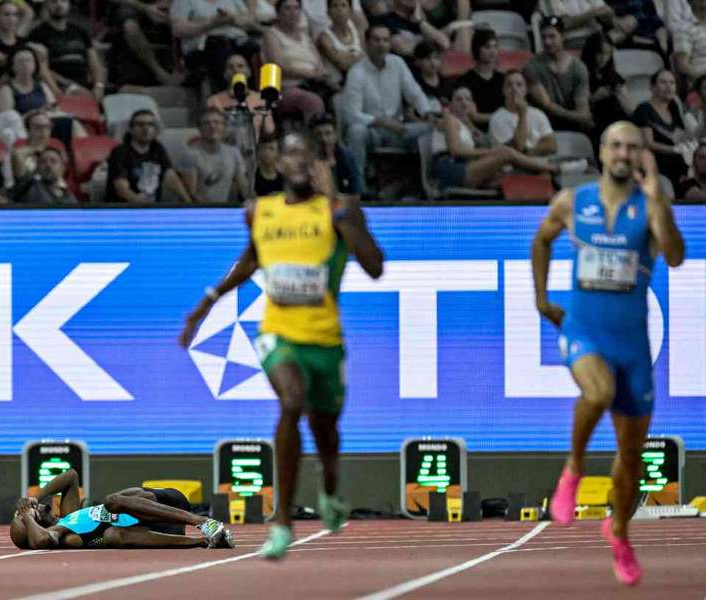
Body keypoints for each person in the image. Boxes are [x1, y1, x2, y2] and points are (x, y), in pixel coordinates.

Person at [180, 133, 384, 559]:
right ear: (278, 162)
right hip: (278, 333)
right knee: (291, 403)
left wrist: (344, 216)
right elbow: (251, 260)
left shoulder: (338, 211)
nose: (297, 162)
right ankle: (284, 524)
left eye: (305, 155)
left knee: (327, 433)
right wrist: (205, 305)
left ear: (317, 164)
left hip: (325, 340)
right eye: (289, 153)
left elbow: (376, 267)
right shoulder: (260, 211)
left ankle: (329, 491)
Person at [532, 120, 685, 586]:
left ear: (642, 155)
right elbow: (541, 240)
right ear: (601, 152)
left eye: (632, 147)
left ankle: (618, 532)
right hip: (585, 331)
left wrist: (659, 202)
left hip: (632, 343)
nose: (623, 153)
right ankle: (573, 468)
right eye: (615, 145)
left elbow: (675, 257)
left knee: (631, 456)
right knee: (597, 394)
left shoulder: (651, 205)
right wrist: (541, 299)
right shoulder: (572, 202)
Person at [9, 469, 234, 549]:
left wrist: (33, 496)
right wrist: (27, 517)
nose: (37, 506)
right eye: (34, 511)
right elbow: (41, 542)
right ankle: (207, 538)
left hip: (166, 504)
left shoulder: (69, 515)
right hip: (161, 530)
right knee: (112, 534)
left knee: (113, 501)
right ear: (35, 524)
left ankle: (204, 523)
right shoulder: (60, 534)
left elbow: (70, 476)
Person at [341, 24, 433, 184]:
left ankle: (425, 185)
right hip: (372, 132)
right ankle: (358, 188)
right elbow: (352, 115)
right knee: (356, 132)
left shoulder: (398, 63)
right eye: (376, 40)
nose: (381, 44)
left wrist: (427, 113)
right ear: (367, 43)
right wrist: (382, 122)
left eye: (385, 40)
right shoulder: (356, 72)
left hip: (398, 130)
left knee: (430, 128)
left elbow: (415, 93)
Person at [432, 86, 558, 190]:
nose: (464, 102)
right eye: (458, 99)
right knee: (507, 153)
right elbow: (455, 151)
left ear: (473, 105)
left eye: (467, 99)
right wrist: (493, 152)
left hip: (466, 168)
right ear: (450, 105)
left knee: (512, 174)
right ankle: (557, 169)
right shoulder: (449, 119)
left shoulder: (467, 127)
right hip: (451, 170)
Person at [523, 15, 595, 135]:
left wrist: (582, 116)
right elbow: (546, 105)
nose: (547, 42)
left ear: (563, 36)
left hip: (572, 125)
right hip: (544, 124)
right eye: (544, 37)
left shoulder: (578, 67)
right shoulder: (532, 66)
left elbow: (582, 106)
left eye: (552, 36)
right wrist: (580, 117)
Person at [106, 108, 193, 203]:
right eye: (140, 125)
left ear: (155, 129)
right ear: (131, 129)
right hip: (124, 209)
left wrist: (188, 201)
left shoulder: (157, 148)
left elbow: (171, 177)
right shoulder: (120, 152)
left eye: (150, 125)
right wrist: (140, 203)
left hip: (151, 209)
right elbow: (121, 188)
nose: (146, 129)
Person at [28, 0, 106, 103]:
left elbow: (95, 64)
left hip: (86, 85)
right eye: (54, 2)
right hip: (59, 86)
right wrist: (70, 85)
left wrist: (99, 86)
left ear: (69, 4)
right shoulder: (38, 34)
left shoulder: (80, 31)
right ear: (47, 5)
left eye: (63, 1)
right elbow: (41, 68)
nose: (59, 4)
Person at [632, 68, 697, 183]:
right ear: (652, 87)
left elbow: (679, 136)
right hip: (654, 163)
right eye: (663, 82)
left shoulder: (674, 108)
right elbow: (648, 143)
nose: (669, 87)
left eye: (672, 83)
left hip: (676, 161)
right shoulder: (644, 109)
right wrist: (675, 150)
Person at [180, 107, 248, 202]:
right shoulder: (190, 155)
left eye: (217, 122)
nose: (212, 126)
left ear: (224, 127)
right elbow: (191, 195)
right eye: (207, 123)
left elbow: (243, 186)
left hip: (224, 209)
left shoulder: (234, 153)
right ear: (200, 129)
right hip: (200, 210)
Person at [580, 32, 635, 143]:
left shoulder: (614, 75)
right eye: (600, 53)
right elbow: (578, 109)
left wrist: (622, 96)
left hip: (617, 119)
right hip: (596, 122)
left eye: (608, 53)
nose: (604, 58)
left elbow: (630, 109)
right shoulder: (581, 73)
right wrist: (594, 98)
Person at [489, 70, 558, 158]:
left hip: (541, 163)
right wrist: (522, 114)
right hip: (513, 169)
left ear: (525, 90)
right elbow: (518, 148)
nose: (514, 88)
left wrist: (528, 151)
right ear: (503, 90)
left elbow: (552, 146)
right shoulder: (497, 118)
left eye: (519, 84)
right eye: (509, 85)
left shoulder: (538, 113)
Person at [456, 28, 504, 131]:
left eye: (495, 47)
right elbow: (472, 116)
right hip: (476, 131)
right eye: (487, 47)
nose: (492, 51)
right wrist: (502, 116)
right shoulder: (465, 80)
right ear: (477, 49)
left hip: (504, 129)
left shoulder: (503, 79)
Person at [12, 146, 78, 204]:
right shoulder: (29, 185)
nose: (48, 165)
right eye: (43, 161)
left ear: (62, 168)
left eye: (53, 161)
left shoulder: (70, 197)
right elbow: (17, 154)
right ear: (37, 168)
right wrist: (36, 148)